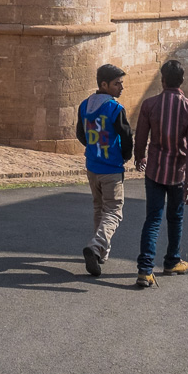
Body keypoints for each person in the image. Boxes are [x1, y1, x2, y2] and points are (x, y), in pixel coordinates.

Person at [133, 59, 188, 288]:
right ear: (182, 81)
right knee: (175, 218)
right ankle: (172, 260)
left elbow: (141, 136)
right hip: (178, 174)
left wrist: (139, 157)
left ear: (162, 80)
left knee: (152, 219)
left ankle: (145, 269)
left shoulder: (149, 104)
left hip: (154, 170)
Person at [76, 63, 133, 277]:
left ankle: (101, 252)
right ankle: (96, 246)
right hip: (111, 168)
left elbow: (80, 134)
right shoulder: (115, 108)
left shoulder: (84, 105)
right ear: (104, 84)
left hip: (92, 166)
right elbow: (126, 136)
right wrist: (125, 156)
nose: (121, 88)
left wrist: (93, 149)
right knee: (114, 211)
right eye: (117, 84)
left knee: (99, 208)